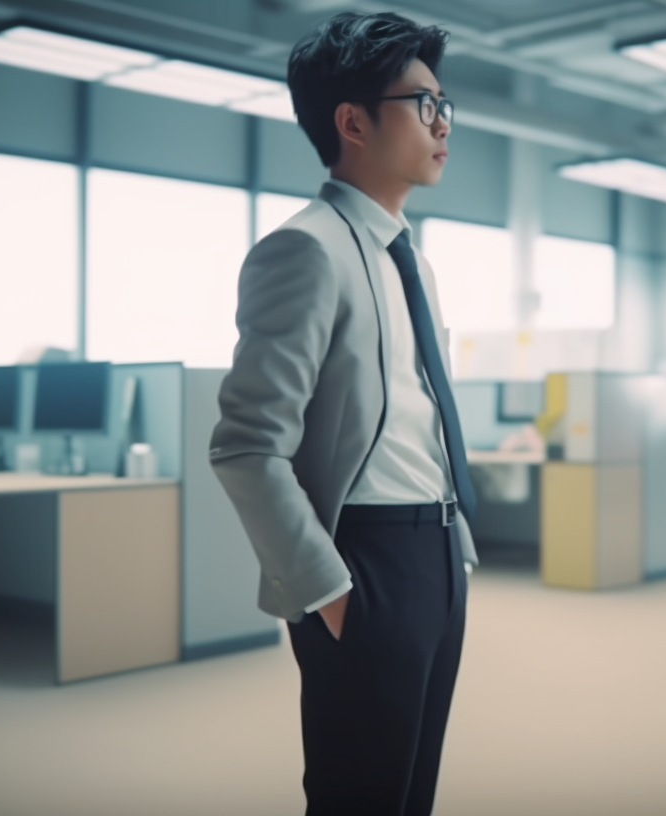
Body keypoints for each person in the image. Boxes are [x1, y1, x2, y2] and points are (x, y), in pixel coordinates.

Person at [209, 11, 478, 816]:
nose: (441, 124)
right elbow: (248, 446)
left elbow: (418, 413)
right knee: (358, 793)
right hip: (365, 562)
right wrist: (330, 592)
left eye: (444, 106)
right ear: (353, 122)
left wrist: (452, 543)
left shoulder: (413, 261)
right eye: (422, 105)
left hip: (435, 552)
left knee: (410, 789)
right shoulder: (305, 249)